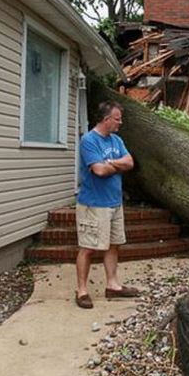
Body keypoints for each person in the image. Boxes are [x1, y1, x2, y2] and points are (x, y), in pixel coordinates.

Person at [75, 100, 139, 309]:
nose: (120, 123)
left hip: (114, 202)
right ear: (106, 119)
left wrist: (110, 163)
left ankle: (112, 285)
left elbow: (130, 162)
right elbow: (98, 171)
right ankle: (82, 290)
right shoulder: (88, 140)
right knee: (88, 248)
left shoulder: (116, 140)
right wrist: (115, 165)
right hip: (94, 204)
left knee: (113, 245)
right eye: (117, 119)